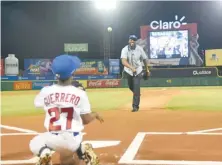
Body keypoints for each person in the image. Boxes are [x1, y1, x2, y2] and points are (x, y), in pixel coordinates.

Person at [29, 54, 104, 165]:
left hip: (53, 140)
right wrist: (95, 114)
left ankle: (44, 152)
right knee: (68, 156)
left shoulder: (46, 91)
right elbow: (86, 119)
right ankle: (82, 150)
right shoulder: (80, 93)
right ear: (72, 74)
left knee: (35, 142)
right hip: (73, 141)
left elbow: (37, 103)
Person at [121, 35, 150, 112]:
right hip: (128, 71)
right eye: (131, 40)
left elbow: (144, 59)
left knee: (136, 87)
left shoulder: (139, 49)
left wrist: (147, 70)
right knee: (131, 86)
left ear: (135, 41)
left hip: (138, 70)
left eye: (134, 40)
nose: (132, 41)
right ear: (128, 41)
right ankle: (137, 93)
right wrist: (131, 67)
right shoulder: (124, 49)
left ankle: (135, 106)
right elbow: (123, 61)